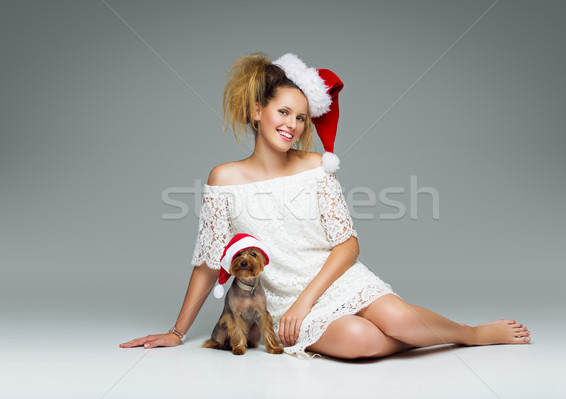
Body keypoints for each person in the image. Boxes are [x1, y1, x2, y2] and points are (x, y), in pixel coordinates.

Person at [120, 52, 531, 360]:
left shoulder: (315, 166)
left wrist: (309, 299)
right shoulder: (224, 178)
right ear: (257, 111)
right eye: (283, 112)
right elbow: (210, 263)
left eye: (301, 118)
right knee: (361, 341)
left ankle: (472, 333)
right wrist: (177, 331)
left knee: (400, 320)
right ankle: (421, 336)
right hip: (282, 301)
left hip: (337, 281)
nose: (293, 126)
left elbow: (347, 244)